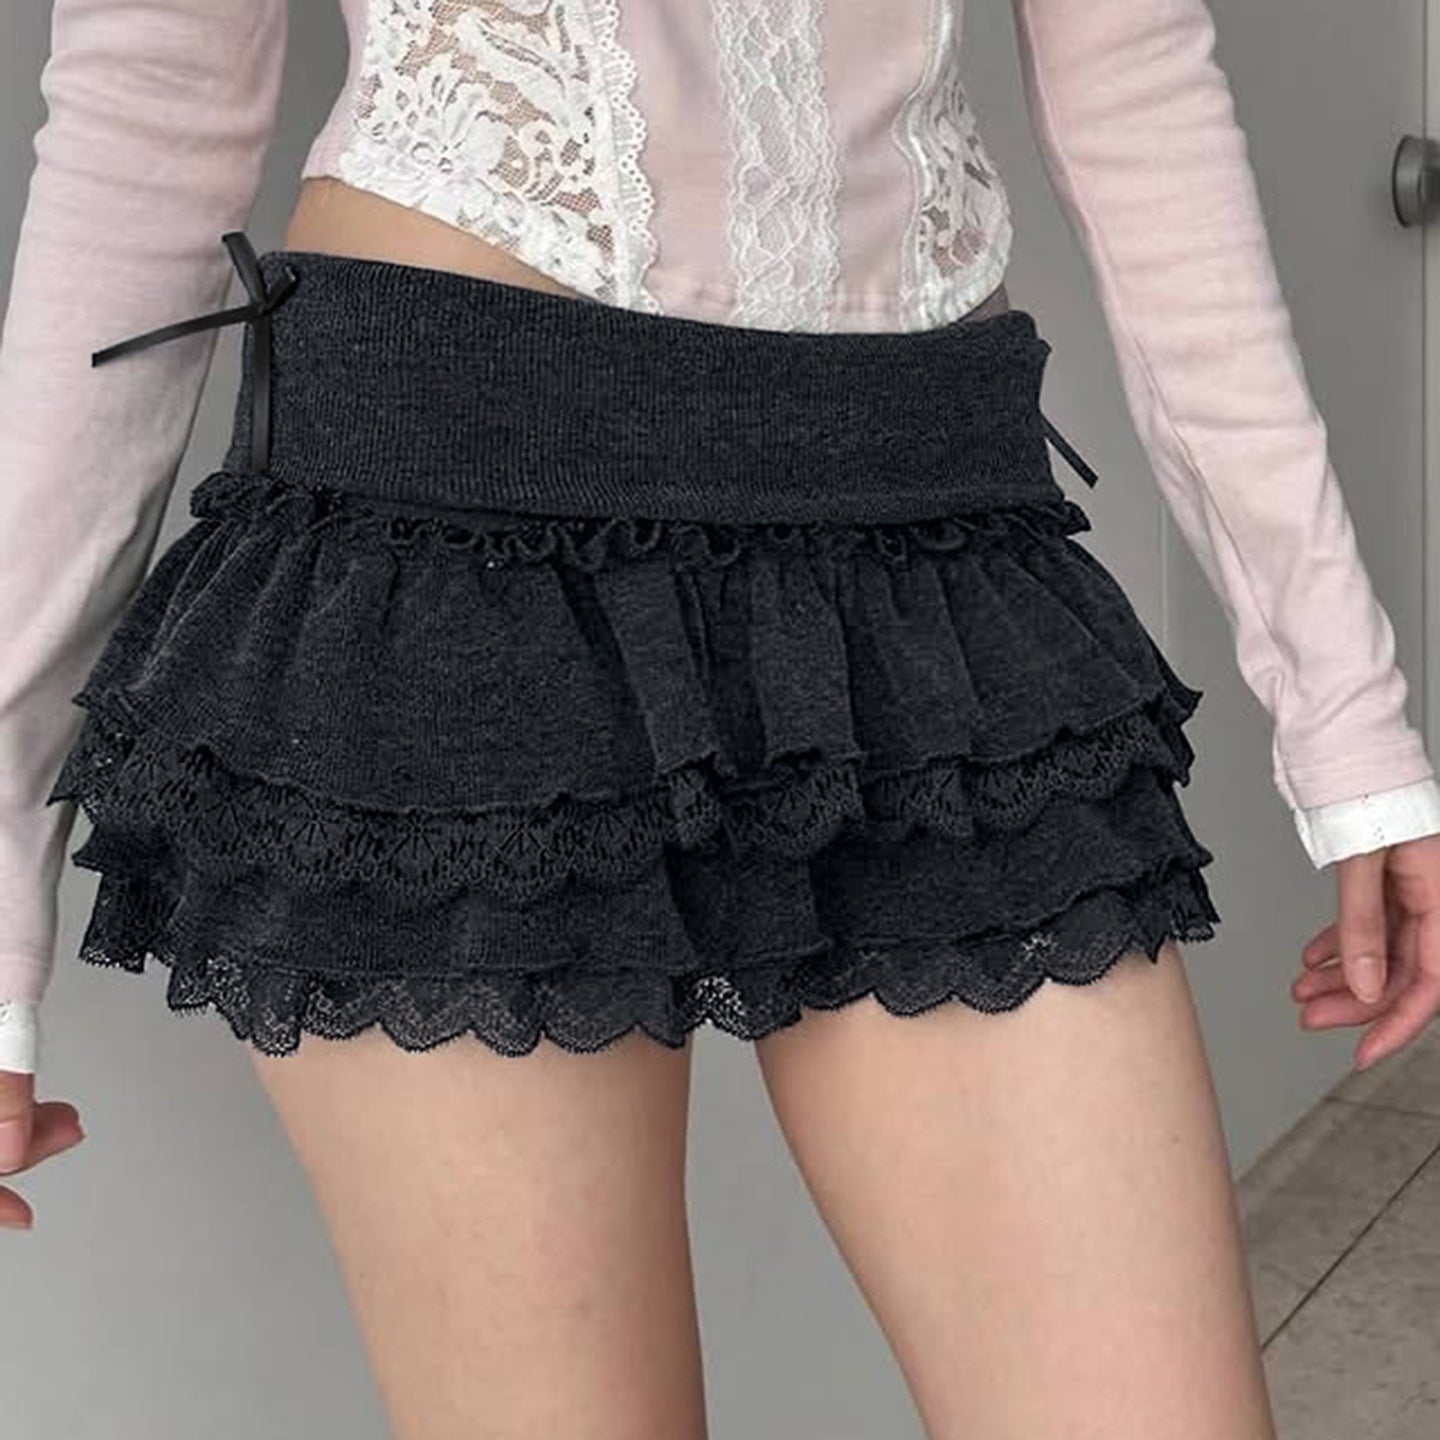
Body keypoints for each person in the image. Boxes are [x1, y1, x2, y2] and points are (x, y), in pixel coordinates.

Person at [2, 0, 1439, 1435]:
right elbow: (151, 116)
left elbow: (1139, 82)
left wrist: (1352, 729)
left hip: (927, 540)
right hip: (451, 548)